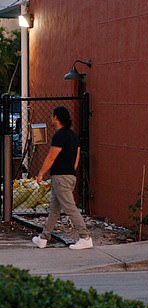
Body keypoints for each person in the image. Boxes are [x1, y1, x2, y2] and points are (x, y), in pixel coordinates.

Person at [31, 106, 93, 250]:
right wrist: (71, 170)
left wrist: (41, 173)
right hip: (70, 175)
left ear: (56, 118)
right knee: (54, 209)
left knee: (70, 207)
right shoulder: (73, 135)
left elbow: (51, 157)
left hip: (61, 177)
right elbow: (76, 157)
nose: (51, 118)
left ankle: (85, 237)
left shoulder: (60, 136)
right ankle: (43, 238)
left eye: (53, 116)